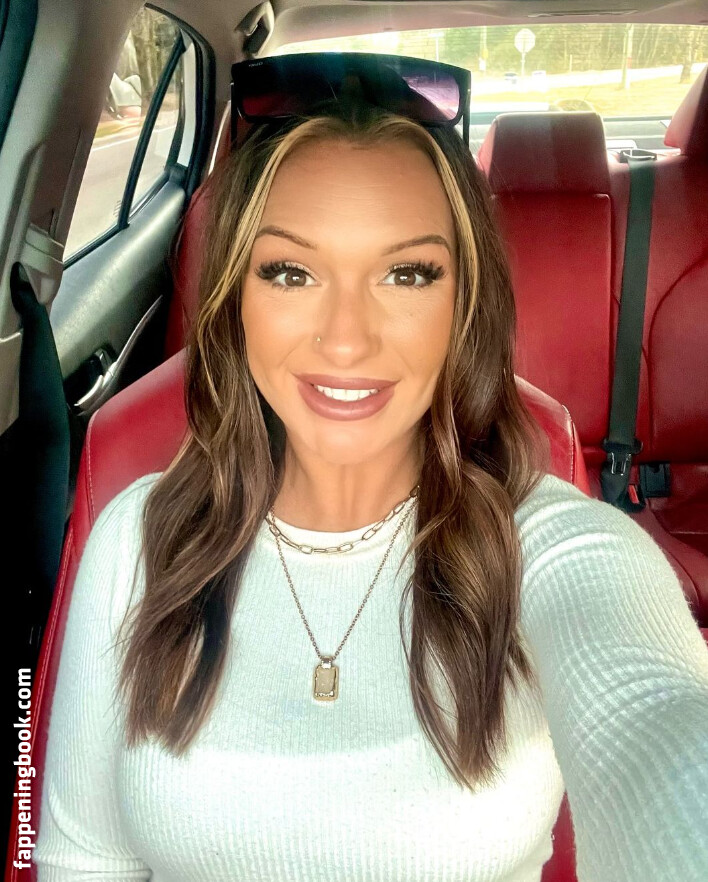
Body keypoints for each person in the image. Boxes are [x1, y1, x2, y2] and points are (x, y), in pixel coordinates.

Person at [34, 54, 708, 882]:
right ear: (235, 301)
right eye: (290, 272)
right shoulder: (135, 542)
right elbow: (83, 862)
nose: (346, 340)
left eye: (407, 273)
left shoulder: (554, 548)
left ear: (463, 304)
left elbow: (660, 726)